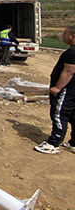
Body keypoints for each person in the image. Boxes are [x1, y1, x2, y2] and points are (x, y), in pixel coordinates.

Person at [34, 26, 75, 154]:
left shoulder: (72, 52)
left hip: (67, 90)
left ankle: (53, 143)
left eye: (65, 34)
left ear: (73, 36)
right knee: (73, 115)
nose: (63, 36)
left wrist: (57, 87)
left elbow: (69, 71)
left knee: (59, 113)